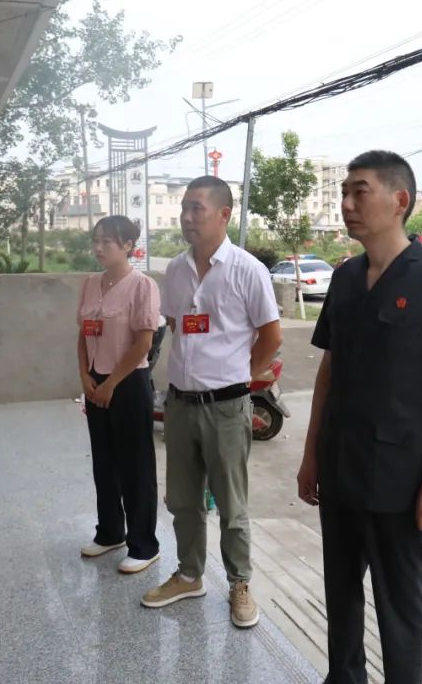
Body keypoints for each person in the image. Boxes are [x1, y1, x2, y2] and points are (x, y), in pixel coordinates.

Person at [297, 151, 422, 684]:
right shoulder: (346, 277)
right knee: (340, 593)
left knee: (399, 605)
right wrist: (310, 455)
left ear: (399, 201)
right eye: (344, 193)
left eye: (360, 191)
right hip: (340, 467)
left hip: (401, 477)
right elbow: (329, 371)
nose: (347, 204)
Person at [141, 176, 282, 629]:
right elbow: (178, 325)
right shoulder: (176, 270)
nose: (187, 216)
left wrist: (240, 374)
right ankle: (189, 575)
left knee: (231, 503)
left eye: (196, 208)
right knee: (183, 499)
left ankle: (239, 583)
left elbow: (272, 336)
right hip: (181, 405)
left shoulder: (247, 270)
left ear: (224, 215)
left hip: (227, 408)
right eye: (184, 208)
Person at [77, 216, 162, 574]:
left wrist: (111, 383)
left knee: (135, 466)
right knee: (104, 461)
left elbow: (143, 342)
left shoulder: (142, 286)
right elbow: (83, 334)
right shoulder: (90, 284)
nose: (98, 248)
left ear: (128, 246)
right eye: (96, 240)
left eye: (107, 242)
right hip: (95, 381)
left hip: (127, 382)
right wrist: (85, 376)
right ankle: (110, 532)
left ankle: (143, 545)